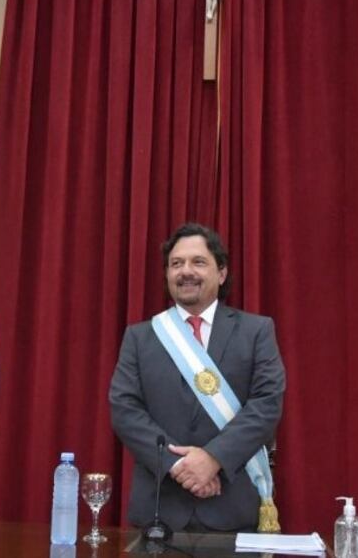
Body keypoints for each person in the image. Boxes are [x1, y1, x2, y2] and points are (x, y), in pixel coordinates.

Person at [109, 222, 285, 532]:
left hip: (231, 507)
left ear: (222, 273)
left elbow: (266, 404)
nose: (186, 271)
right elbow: (125, 410)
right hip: (159, 510)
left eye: (198, 262)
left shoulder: (256, 331)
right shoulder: (139, 337)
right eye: (176, 263)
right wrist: (179, 466)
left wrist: (213, 459)